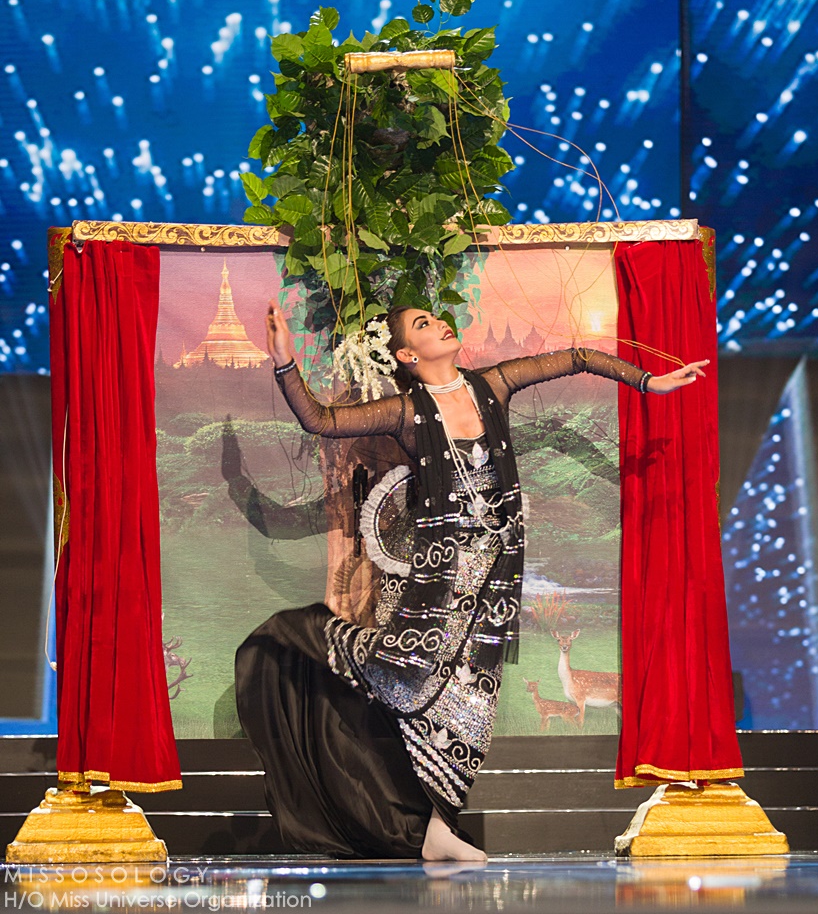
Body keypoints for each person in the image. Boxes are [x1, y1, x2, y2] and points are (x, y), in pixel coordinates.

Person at [235, 301, 709, 861]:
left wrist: (648, 381)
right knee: (405, 677)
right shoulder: (408, 411)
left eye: (436, 317)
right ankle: (308, 646)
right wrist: (286, 365)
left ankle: (438, 828)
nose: (439, 323)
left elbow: (579, 357)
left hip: (494, 581)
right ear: (409, 356)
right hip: (438, 584)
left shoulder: (494, 386)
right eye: (422, 325)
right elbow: (321, 421)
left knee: (473, 705)